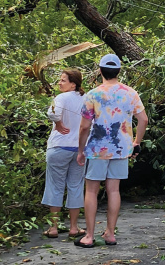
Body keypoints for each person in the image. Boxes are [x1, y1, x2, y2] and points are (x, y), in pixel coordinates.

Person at [75, 54, 148, 249]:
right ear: (118, 71)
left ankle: (89, 236)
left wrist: (80, 150)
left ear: (100, 71)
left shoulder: (93, 95)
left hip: (97, 149)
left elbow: (84, 127)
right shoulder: (130, 93)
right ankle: (110, 233)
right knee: (113, 190)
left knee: (91, 190)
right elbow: (144, 119)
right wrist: (136, 142)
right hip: (121, 148)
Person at [41, 68, 86, 239]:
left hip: (59, 147)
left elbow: (52, 113)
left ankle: (53, 227)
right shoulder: (86, 99)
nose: (59, 83)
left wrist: (58, 124)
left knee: (55, 185)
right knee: (75, 186)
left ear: (73, 84)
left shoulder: (61, 98)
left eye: (63, 80)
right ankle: (74, 227)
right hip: (79, 149)